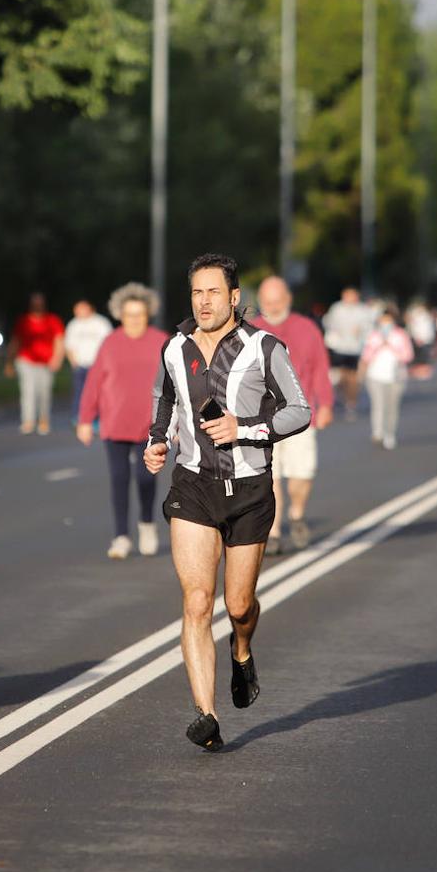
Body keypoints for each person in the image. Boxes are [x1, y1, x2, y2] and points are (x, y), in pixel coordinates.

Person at [145, 253, 311, 751]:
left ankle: (242, 649)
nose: (204, 301)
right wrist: (156, 441)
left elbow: (299, 411)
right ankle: (206, 715)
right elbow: (165, 399)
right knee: (197, 602)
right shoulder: (175, 347)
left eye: (213, 292)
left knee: (238, 605)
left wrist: (246, 429)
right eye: (197, 292)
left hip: (250, 489)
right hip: (193, 486)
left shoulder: (264, 347)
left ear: (235, 297)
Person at [76, 284, 167, 559]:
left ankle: (148, 524)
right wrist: (84, 419)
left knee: (145, 477)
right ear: (120, 315)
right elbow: (93, 383)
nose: (135, 319)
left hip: (149, 424)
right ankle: (121, 537)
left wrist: (176, 422)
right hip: (115, 422)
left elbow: (176, 382)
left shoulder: (161, 340)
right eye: (129, 314)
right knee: (119, 478)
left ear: (148, 314)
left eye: (139, 314)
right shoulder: (110, 343)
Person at [250, 276, 334, 555]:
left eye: (277, 301)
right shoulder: (251, 331)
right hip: (263, 417)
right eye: (267, 302)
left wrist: (326, 405)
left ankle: (296, 514)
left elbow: (321, 367)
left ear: (288, 300)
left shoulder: (307, 328)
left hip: (300, 413)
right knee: (269, 478)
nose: (272, 307)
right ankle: (272, 532)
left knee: (300, 474)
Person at [5, 293, 65, 435]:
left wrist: (57, 358)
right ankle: (28, 421)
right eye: (34, 303)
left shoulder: (52, 320)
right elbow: (16, 341)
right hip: (26, 360)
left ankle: (43, 420)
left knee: (44, 392)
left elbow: (59, 340)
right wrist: (9, 362)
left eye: (40, 303)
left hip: (46, 362)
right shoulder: (23, 321)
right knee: (28, 391)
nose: (37, 305)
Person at [360, 305, 415, 450]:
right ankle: (377, 432)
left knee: (392, 407)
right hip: (375, 376)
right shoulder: (373, 335)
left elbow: (408, 356)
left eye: (388, 320)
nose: (385, 323)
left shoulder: (401, 335)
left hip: (396, 377)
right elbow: (366, 356)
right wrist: (378, 346)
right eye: (383, 320)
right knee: (378, 405)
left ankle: (390, 434)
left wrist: (391, 346)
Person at [321, 287, 374, 419]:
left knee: (353, 377)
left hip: (355, 348)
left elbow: (369, 327)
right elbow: (328, 322)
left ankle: (351, 402)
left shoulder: (362, 310)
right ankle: (341, 397)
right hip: (340, 347)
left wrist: (360, 330)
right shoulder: (337, 309)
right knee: (340, 375)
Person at [64, 299, 113, 425]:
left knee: (98, 393)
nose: (77, 312)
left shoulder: (101, 323)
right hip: (80, 365)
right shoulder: (74, 324)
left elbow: (109, 344)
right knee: (80, 392)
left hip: (97, 365)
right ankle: (78, 418)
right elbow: (69, 345)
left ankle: (97, 419)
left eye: (80, 309)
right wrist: (73, 362)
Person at [404, 299, 436, 381]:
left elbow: (429, 328)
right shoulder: (415, 316)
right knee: (420, 357)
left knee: (425, 356)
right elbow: (413, 328)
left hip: (427, 339)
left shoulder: (427, 316)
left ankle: (424, 372)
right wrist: (417, 338)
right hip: (418, 339)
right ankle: (419, 372)